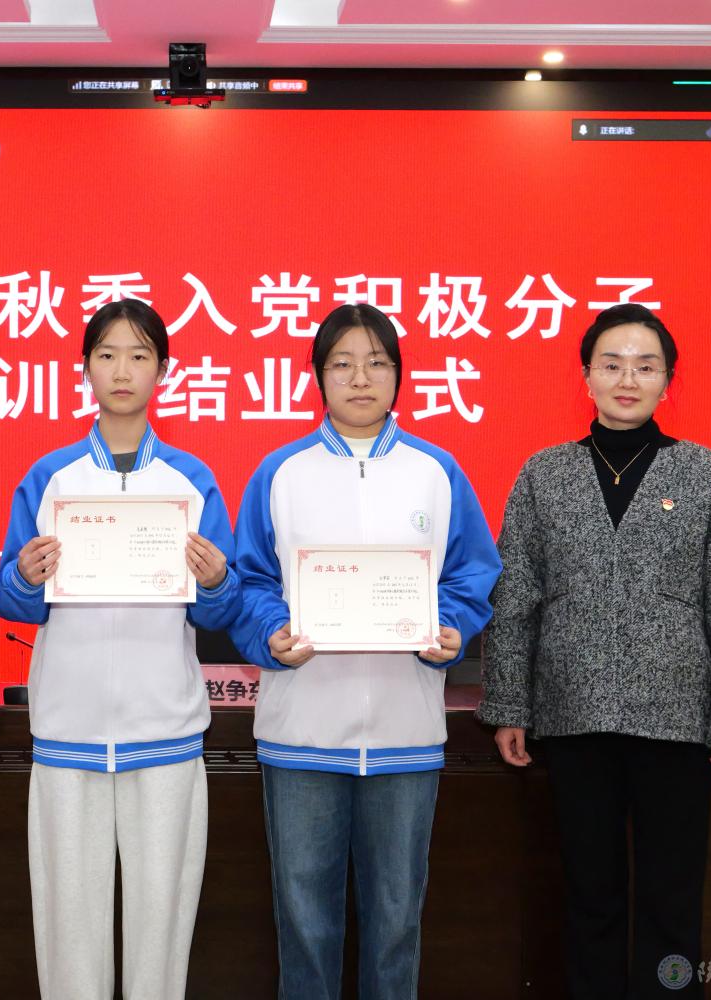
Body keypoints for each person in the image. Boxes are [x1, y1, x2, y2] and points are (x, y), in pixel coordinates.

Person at [478, 302, 711, 999]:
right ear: (586, 376)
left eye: (646, 366)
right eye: (611, 364)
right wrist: (509, 704)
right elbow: (515, 596)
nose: (627, 379)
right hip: (572, 715)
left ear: (668, 381)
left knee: (673, 900)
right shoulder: (544, 474)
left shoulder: (703, 473)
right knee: (590, 894)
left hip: (676, 720)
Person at [229, 303, 501, 999]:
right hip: (302, 732)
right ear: (318, 377)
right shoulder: (281, 472)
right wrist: (271, 632)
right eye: (342, 364)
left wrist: (450, 627)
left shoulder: (436, 471)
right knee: (304, 923)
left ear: (398, 375)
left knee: (396, 922)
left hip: (405, 731)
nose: (360, 378)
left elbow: (474, 572)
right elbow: (250, 579)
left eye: (377, 363)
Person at [0, 298, 240, 1000]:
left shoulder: (191, 481)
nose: (123, 371)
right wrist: (25, 576)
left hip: (165, 731)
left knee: (161, 928)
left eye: (139, 355)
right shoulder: (51, 478)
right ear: (85, 369)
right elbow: (13, 599)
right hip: (68, 731)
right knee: (69, 929)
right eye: (107, 355)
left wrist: (215, 579)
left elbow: (225, 607)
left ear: (164, 370)